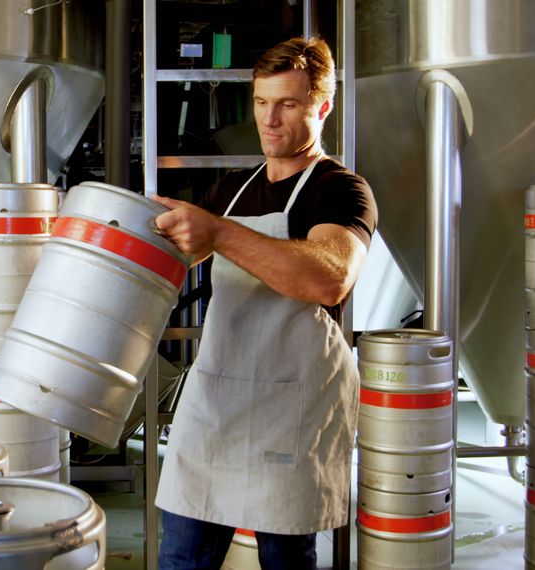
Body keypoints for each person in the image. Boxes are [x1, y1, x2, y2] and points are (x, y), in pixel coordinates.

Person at [152, 36, 377, 570]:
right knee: (182, 559)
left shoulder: (341, 190)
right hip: (216, 403)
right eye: (260, 102)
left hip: (290, 408)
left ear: (322, 107)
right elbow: (160, 267)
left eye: (288, 104)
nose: (269, 120)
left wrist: (219, 235)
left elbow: (330, 278)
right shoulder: (231, 191)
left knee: (285, 559)